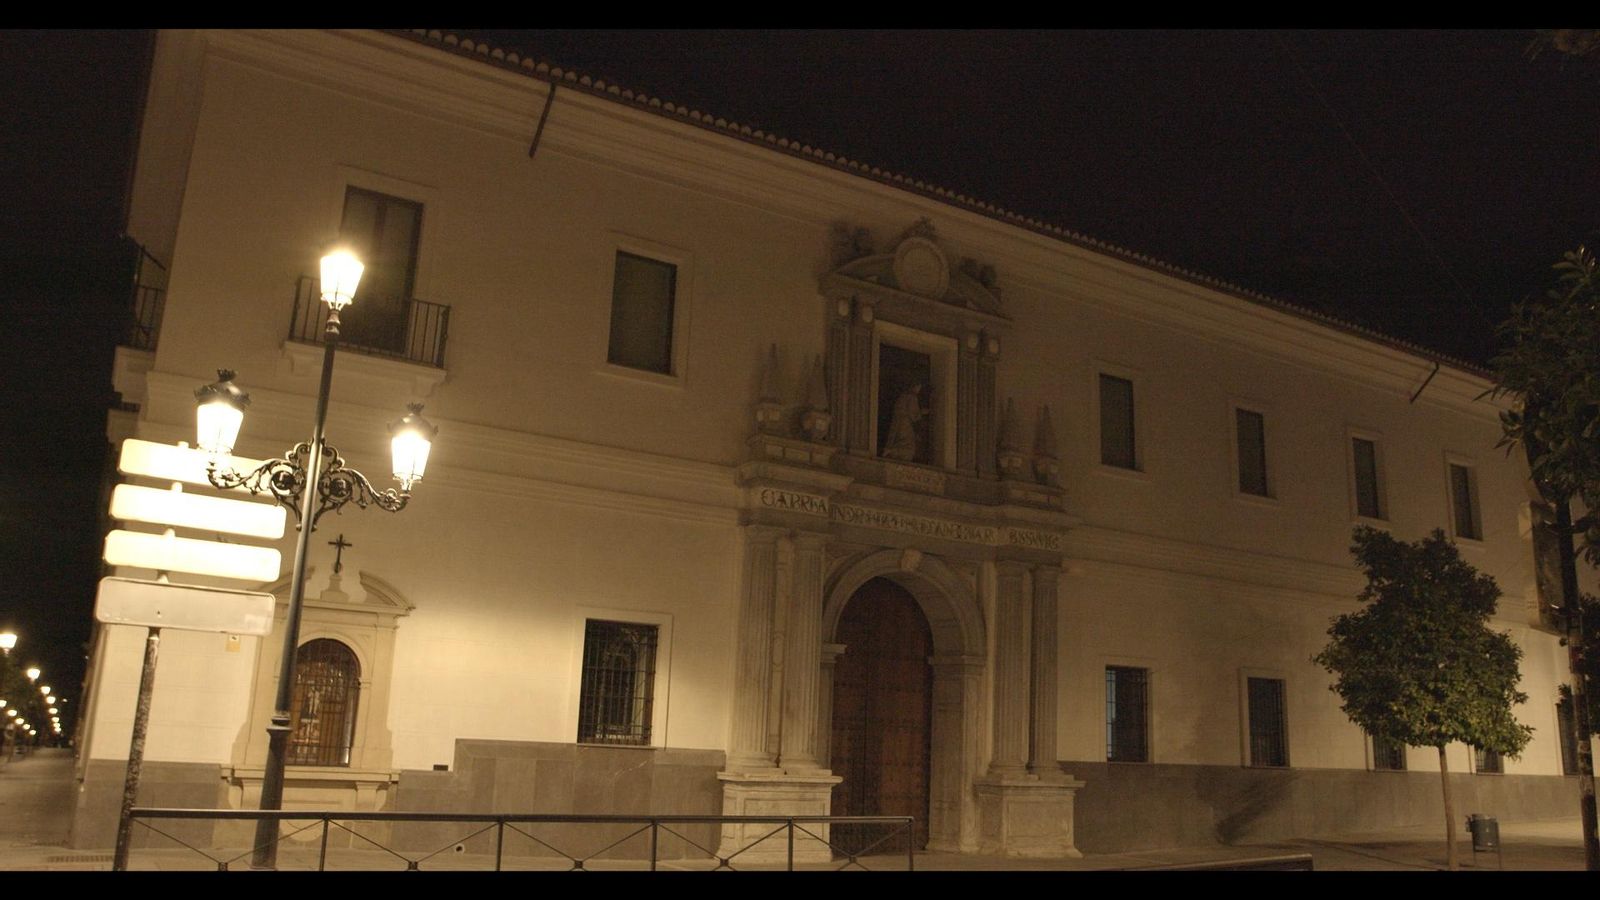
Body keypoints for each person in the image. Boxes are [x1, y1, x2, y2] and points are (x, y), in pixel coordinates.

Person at [882, 384, 924, 461]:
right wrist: (922, 414)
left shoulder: (901, 397)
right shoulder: (912, 397)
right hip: (906, 425)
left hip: (897, 424)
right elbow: (914, 414)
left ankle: (890, 451)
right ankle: (892, 452)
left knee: (899, 441)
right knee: (908, 446)